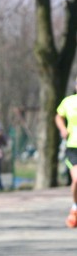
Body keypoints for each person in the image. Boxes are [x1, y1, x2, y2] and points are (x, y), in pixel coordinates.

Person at [54, 78, 77, 228]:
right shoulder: (68, 101)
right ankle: (75, 207)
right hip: (73, 146)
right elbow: (58, 116)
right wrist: (63, 129)